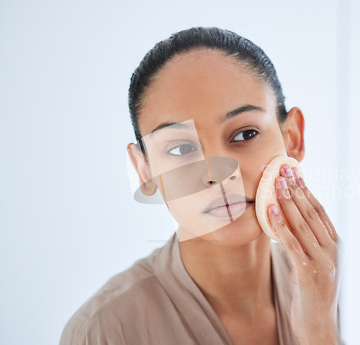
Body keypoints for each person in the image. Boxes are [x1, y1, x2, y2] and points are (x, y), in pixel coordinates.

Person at [59, 26, 343, 345]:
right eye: (181, 149)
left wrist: (320, 329)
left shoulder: (322, 285)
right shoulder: (104, 332)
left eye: (245, 134)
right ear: (145, 171)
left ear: (292, 138)